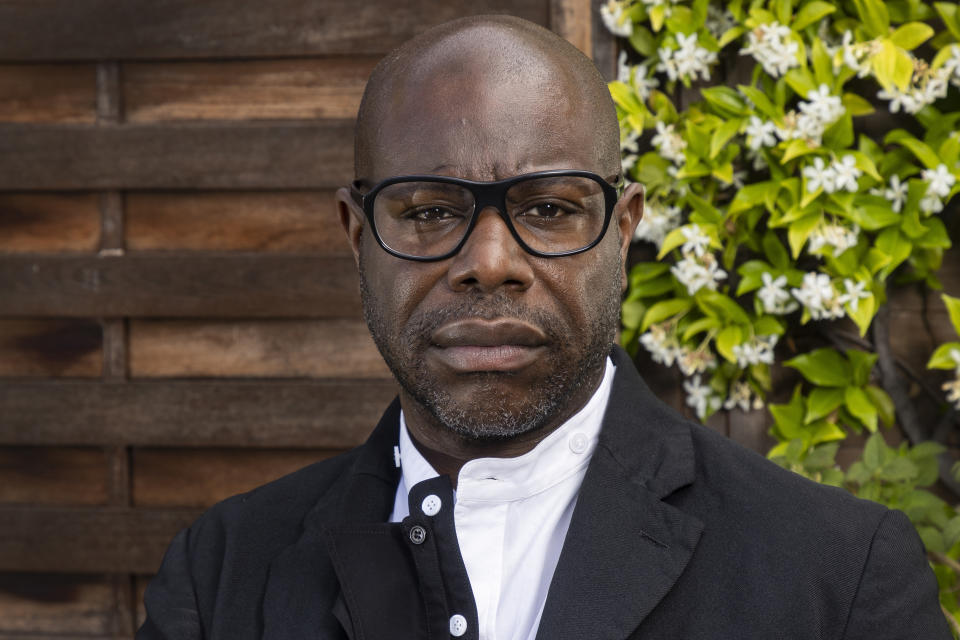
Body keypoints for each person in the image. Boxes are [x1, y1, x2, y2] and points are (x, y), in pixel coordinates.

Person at [137, 15, 950, 640]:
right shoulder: (221, 577)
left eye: (551, 209)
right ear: (359, 236)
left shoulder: (839, 577)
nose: (490, 262)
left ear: (623, 231)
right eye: (427, 211)